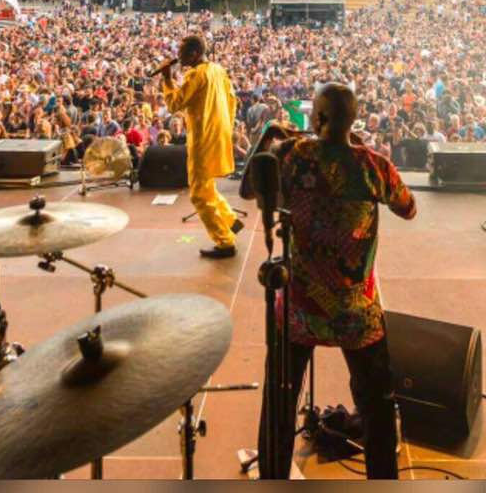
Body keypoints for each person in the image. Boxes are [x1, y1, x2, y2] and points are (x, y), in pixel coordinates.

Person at [247, 82, 416, 479]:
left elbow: (254, 184)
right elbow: (408, 208)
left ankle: (272, 476)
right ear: (352, 120)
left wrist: (272, 139)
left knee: (279, 402)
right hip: (356, 312)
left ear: (318, 117)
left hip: (299, 309)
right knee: (376, 403)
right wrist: (357, 150)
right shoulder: (373, 164)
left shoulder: (292, 155)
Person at [161, 34, 243, 258]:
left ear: (194, 54)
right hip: (218, 134)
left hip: (202, 140)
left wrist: (167, 80)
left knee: (198, 193)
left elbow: (174, 104)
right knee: (207, 187)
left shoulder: (195, 74)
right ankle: (230, 219)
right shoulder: (217, 70)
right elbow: (232, 101)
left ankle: (225, 242)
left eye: (182, 51)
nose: (177, 55)